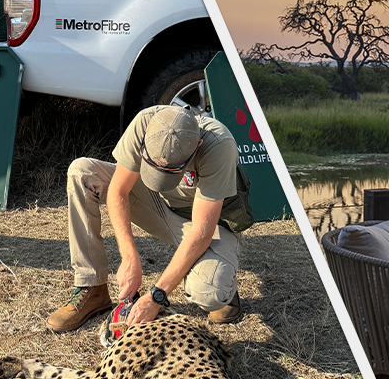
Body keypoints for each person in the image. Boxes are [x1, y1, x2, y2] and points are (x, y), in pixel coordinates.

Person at [50, 105, 254, 332]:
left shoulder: (219, 145)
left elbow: (200, 232)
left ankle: (223, 280)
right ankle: (92, 287)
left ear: (196, 147)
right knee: (82, 172)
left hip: (204, 223)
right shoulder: (146, 122)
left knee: (210, 291)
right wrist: (129, 258)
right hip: (157, 205)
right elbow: (118, 190)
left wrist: (157, 296)